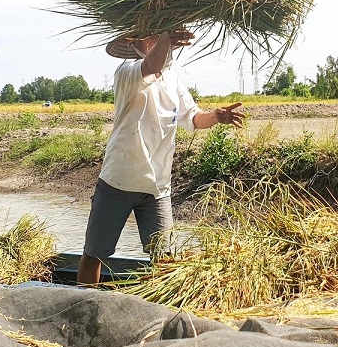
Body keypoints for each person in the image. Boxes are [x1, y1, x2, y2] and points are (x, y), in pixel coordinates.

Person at [77, 28, 245, 285]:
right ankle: (81, 306)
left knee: (164, 258)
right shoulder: (128, 72)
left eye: (161, 37)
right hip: (118, 181)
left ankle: (162, 312)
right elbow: (151, 63)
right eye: (152, 36)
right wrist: (166, 38)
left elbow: (194, 119)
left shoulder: (171, 79)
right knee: (94, 254)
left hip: (157, 187)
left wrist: (216, 116)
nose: (159, 42)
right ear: (136, 43)